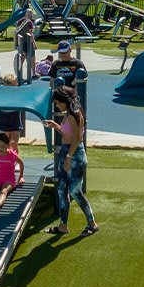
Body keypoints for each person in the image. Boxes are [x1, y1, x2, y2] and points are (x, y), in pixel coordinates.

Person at [48, 87, 98, 237]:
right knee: (61, 189)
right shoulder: (68, 114)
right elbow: (67, 133)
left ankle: (92, 224)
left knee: (75, 192)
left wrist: (69, 159)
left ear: (64, 100)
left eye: (57, 103)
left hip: (75, 156)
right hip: (66, 152)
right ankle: (63, 225)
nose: (57, 105)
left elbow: (77, 139)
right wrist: (55, 126)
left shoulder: (76, 115)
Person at [14, 8, 38, 81]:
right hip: (28, 41)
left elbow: (16, 32)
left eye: (31, 13)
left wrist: (15, 43)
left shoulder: (20, 21)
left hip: (21, 41)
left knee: (22, 57)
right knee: (32, 57)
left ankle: (18, 73)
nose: (30, 15)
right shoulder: (30, 22)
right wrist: (34, 43)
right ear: (27, 14)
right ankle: (33, 73)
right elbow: (30, 34)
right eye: (30, 13)